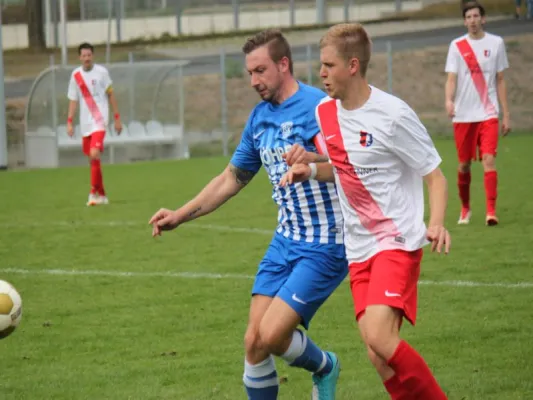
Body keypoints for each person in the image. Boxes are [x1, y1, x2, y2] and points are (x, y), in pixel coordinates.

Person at [148, 29, 347, 400]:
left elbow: (348, 162)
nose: (254, 81)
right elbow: (231, 178)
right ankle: (323, 366)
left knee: (273, 336)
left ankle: (325, 366)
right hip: (285, 240)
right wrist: (179, 215)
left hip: (326, 244)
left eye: (260, 71)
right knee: (254, 343)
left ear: (283, 64)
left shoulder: (319, 108)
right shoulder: (259, 119)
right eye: (249, 73)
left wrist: (313, 160)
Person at [280, 22, 450, 399]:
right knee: (377, 354)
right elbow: (342, 168)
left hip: (396, 240)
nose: (321, 74)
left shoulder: (393, 115)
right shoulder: (326, 113)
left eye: (329, 65)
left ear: (353, 66)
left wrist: (436, 224)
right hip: (358, 248)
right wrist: (308, 169)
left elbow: (435, 177)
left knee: (379, 336)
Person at [445, 1, 510, 226]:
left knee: (489, 160)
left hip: (489, 113)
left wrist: (506, 114)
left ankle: (491, 212)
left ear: (483, 19)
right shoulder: (456, 46)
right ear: (464, 21)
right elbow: (451, 78)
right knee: (464, 165)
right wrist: (448, 100)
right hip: (463, 115)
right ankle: (465, 208)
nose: (472, 20)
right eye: (468, 17)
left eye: (476, 16)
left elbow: (500, 80)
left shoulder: (496, 43)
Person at [67, 42, 123, 206]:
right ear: (79, 57)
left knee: (94, 154)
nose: (86, 58)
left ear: (93, 56)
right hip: (85, 124)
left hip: (99, 120)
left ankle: (93, 193)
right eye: (83, 56)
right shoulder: (75, 76)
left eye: (89, 55)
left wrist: (117, 118)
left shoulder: (102, 73)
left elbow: (111, 95)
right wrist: (69, 122)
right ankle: (102, 194)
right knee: (93, 160)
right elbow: (73, 100)